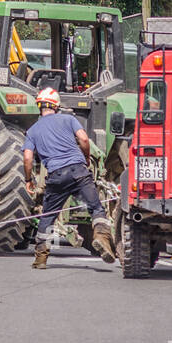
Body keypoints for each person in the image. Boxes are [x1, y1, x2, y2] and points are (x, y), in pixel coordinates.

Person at [22, 86, 116, 269]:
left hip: (56, 177)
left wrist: (28, 180)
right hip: (78, 171)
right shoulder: (68, 119)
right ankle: (101, 238)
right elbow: (84, 139)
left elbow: (27, 158)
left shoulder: (32, 130)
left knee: (47, 218)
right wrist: (86, 159)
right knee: (96, 207)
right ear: (56, 106)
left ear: (39, 107)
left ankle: (40, 258)